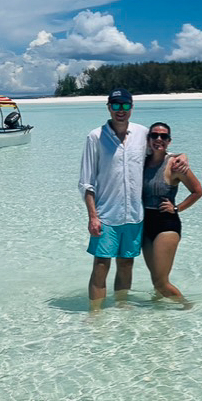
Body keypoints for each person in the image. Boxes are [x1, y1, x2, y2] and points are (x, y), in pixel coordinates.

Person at [78, 89, 187, 309]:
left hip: (135, 215)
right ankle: (96, 313)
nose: (121, 110)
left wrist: (181, 156)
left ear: (131, 108)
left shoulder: (141, 133)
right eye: (116, 105)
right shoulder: (95, 137)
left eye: (125, 106)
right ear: (108, 107)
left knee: (126, 264)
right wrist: (92, 216)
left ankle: (121, 305)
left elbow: (160, 151)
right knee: (101, 265)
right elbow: (86, 182)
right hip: (106, 214)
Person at [142, 122, 202, 306]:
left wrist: (177, 208)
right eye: (154, 135)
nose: (158, 139)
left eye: (163, 136)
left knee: (162, 282)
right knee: (155, 280)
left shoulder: (175, 165)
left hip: (166, 224)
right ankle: (159, 312)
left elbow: (197, 191)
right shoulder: (141, 162)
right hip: (145, 223)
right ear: (148, 139)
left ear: (169, 141)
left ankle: (187, 307)